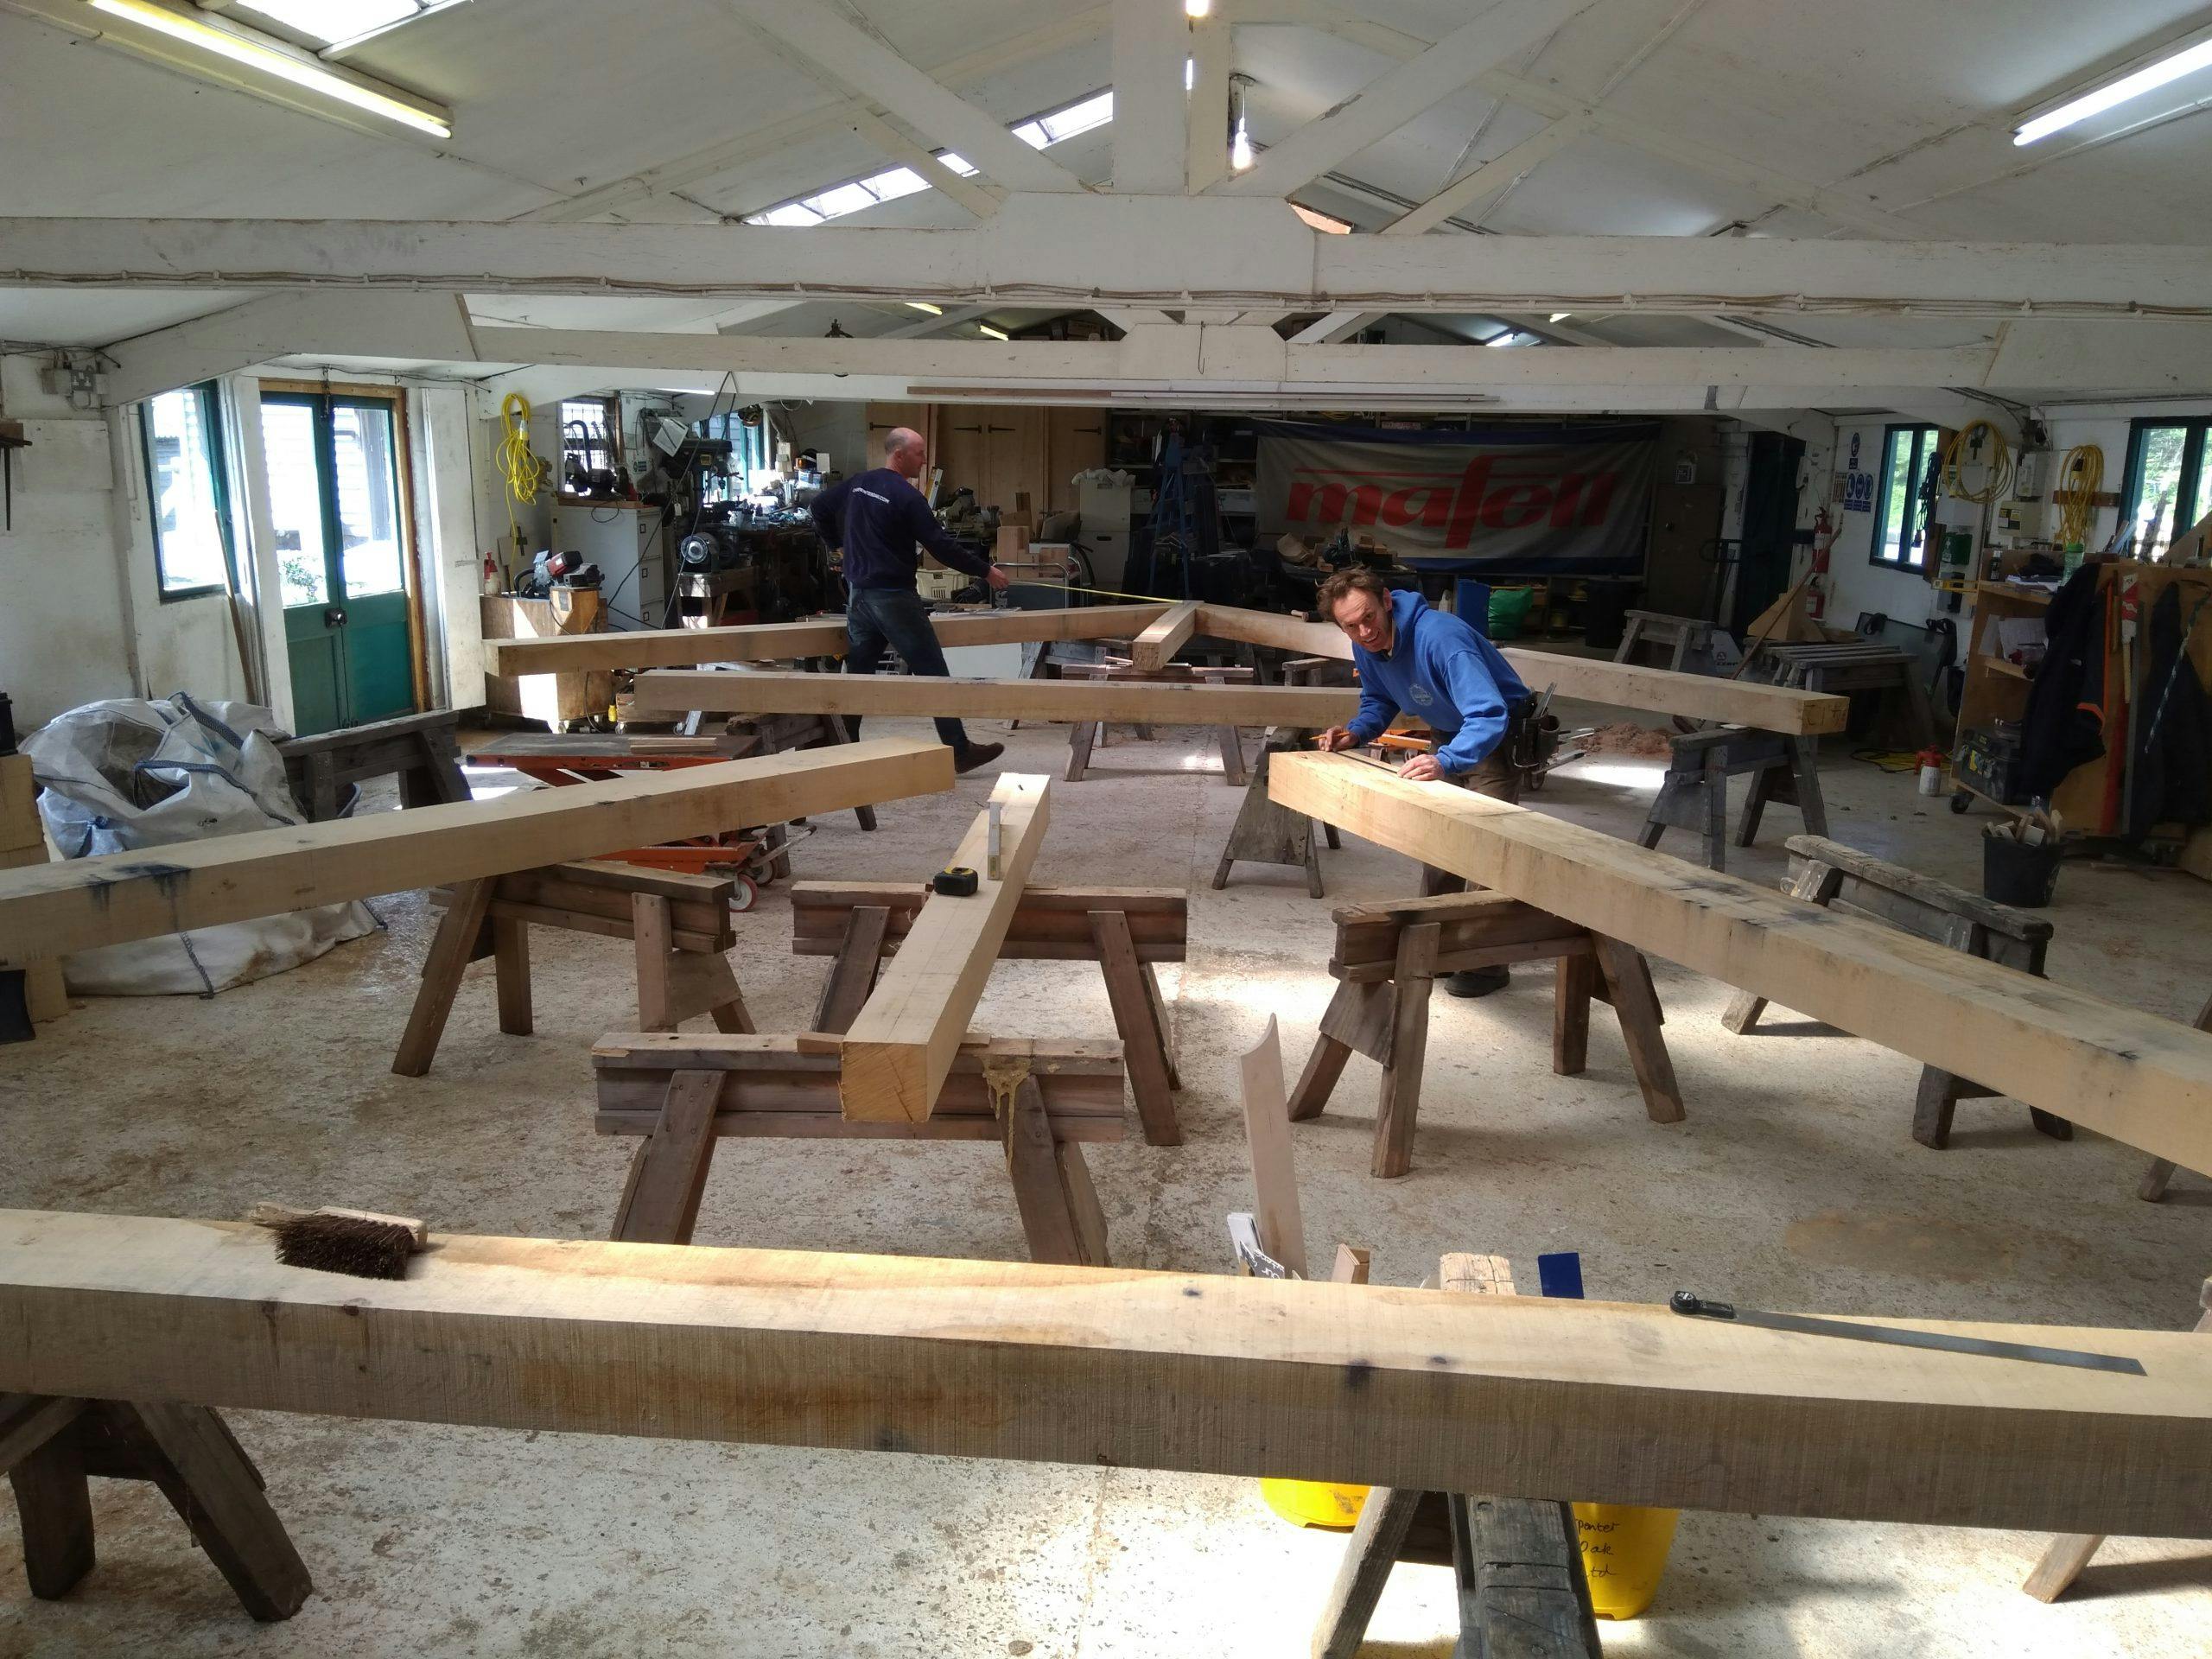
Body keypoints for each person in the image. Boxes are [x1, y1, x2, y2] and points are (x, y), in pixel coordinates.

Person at [1313, 566, 1532, 996]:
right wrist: (1356, 731)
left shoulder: (1440, 638)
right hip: (1448, 729)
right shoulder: (1367, 645)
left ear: (1388, 602)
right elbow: (1379, 697)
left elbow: (1489, 713)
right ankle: (1438, 951)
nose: (1364, 632)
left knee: (1487, 852)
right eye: (1351, 626)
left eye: (1369, 618)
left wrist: (1446, 760)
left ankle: (1488, 965)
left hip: (1495, 737)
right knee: (1441, 843)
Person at [810, 427, 1010, 774]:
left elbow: (818, 507)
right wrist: (986, 572)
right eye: (918, 454)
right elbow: (941, 546)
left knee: (858, 674)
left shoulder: (860, 483)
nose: (923, 460)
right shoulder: (906, 496)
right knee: (934, 674)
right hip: (893, 597)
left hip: (859, 596)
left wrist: (836, 546)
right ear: (898, 455)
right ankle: (958, 750)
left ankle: (842, 749)